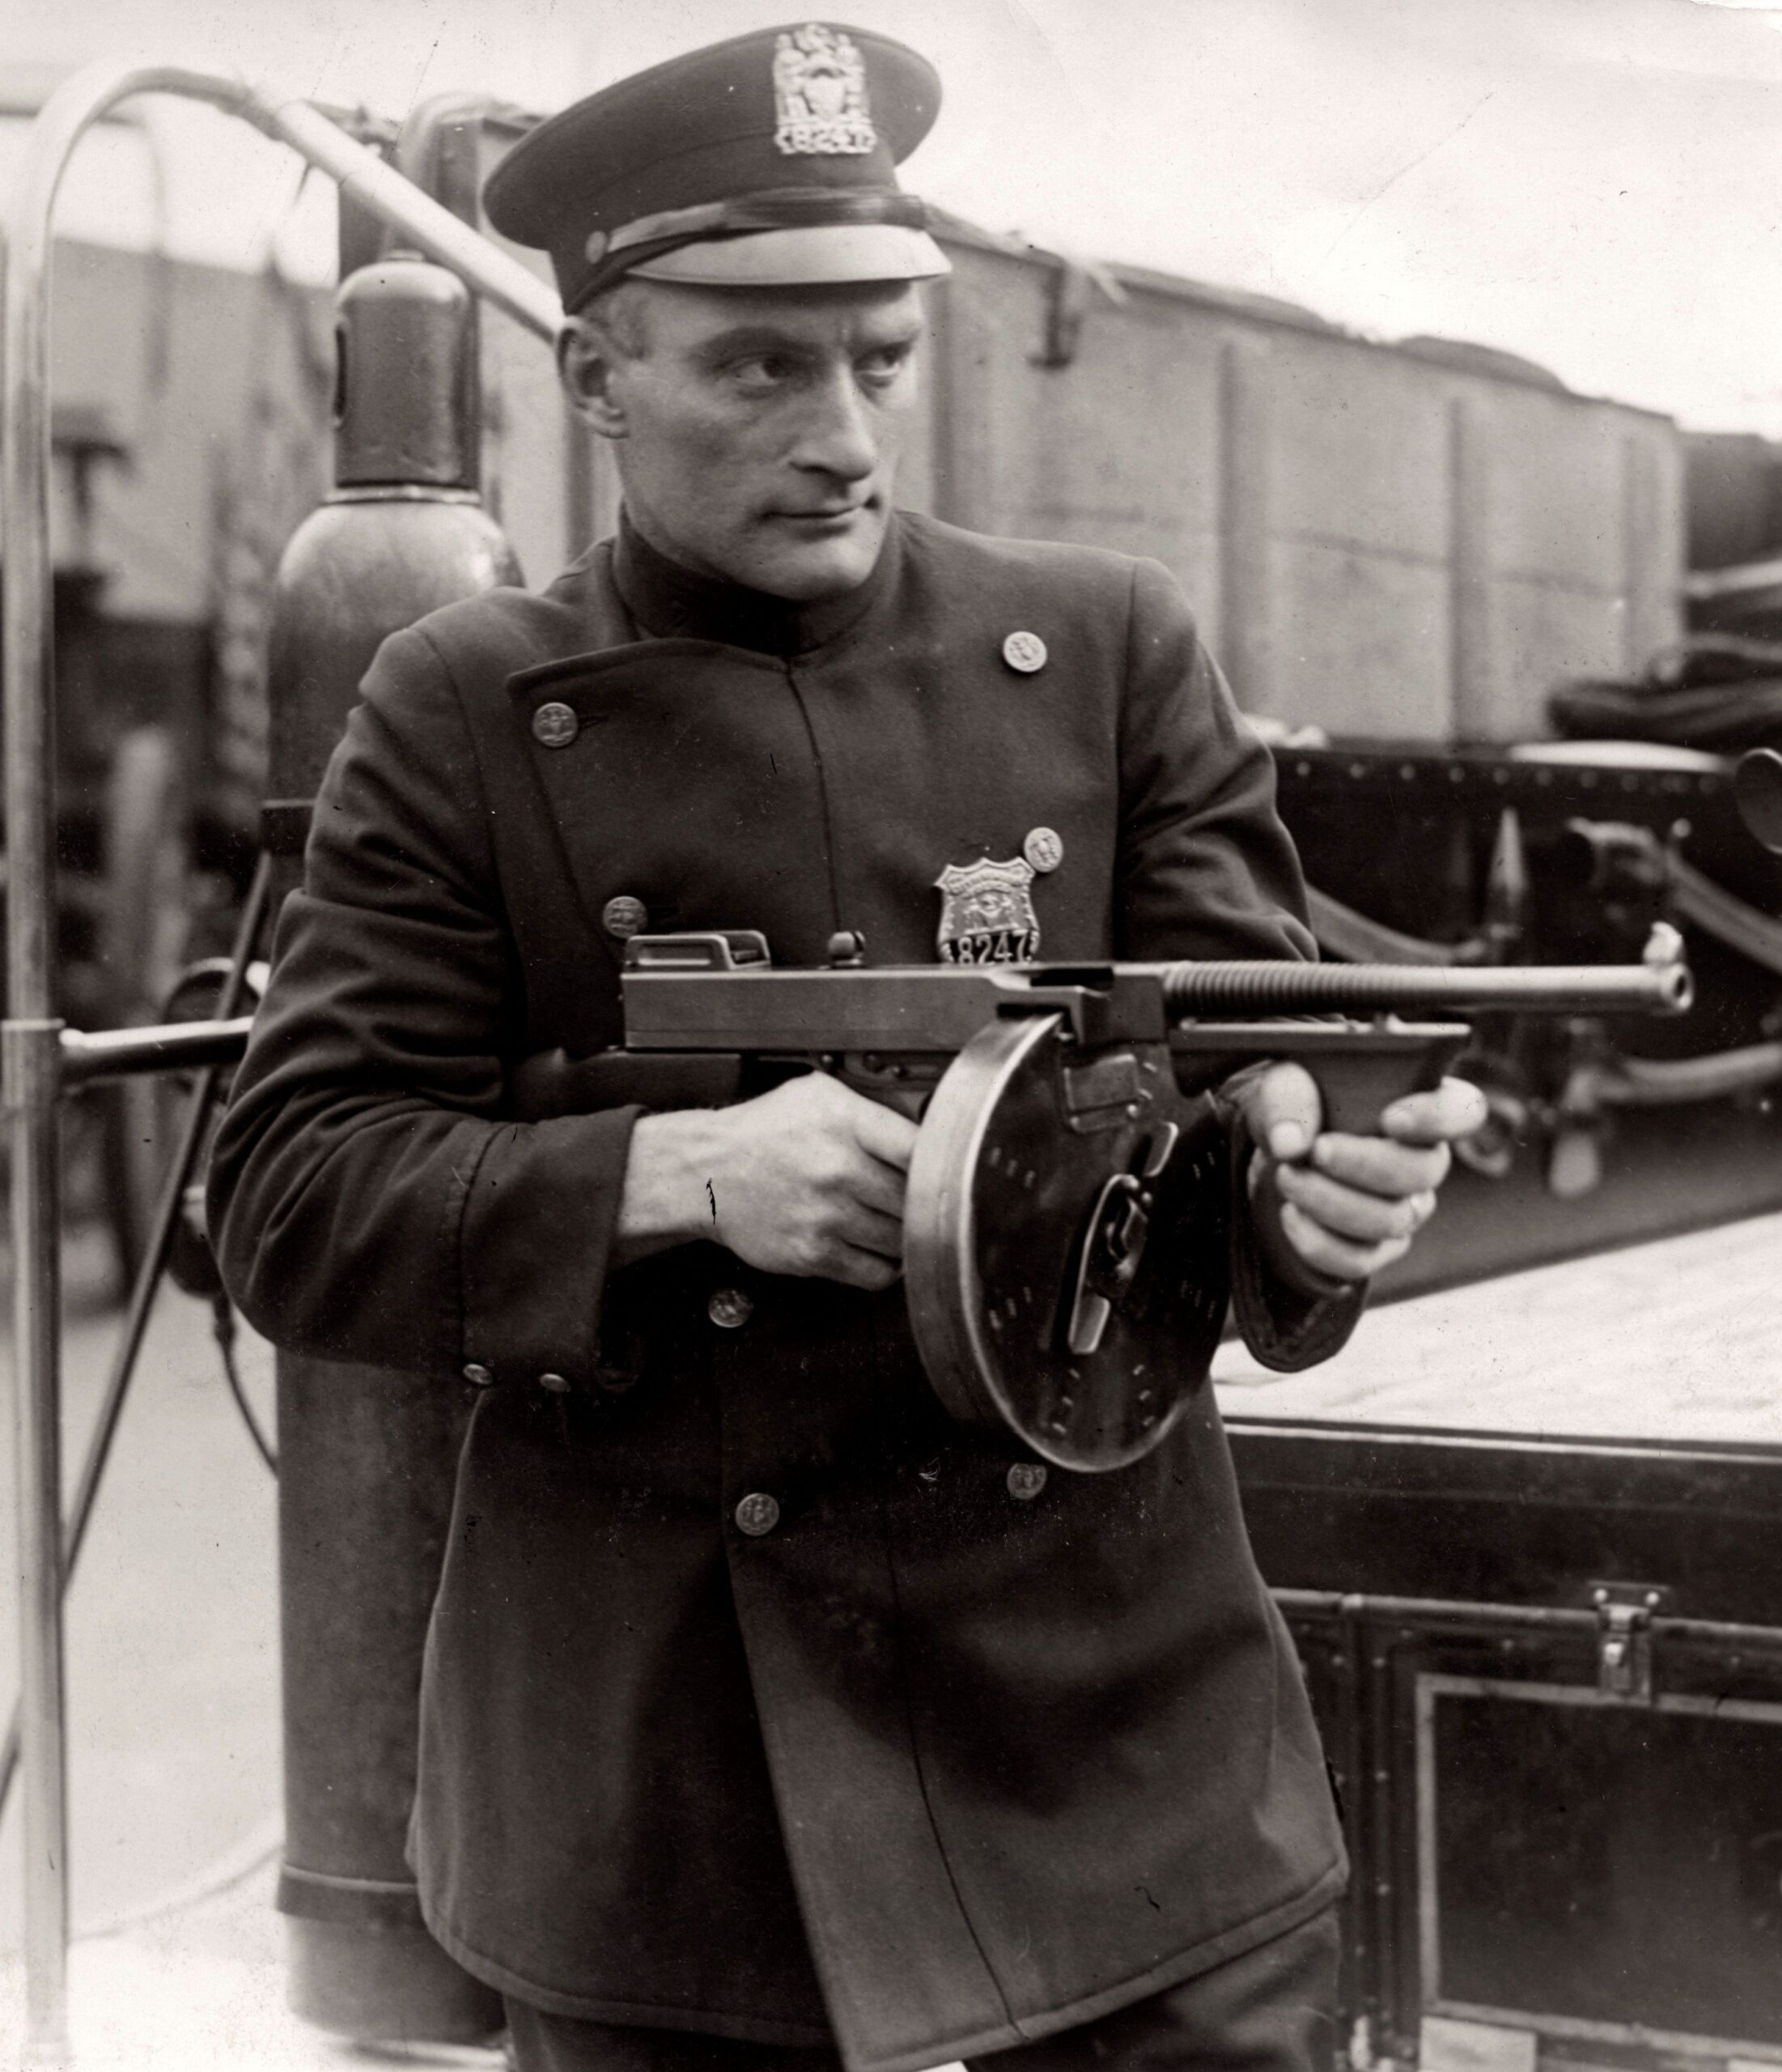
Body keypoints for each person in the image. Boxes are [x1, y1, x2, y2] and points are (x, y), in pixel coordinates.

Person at [210, 23, 1485, 2072]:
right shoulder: (459, 700)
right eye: (760, 365)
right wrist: (676, 1175)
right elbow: (284, 1193)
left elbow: (1254, 1086)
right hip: (676, 1783)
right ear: (597, 378)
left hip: (1115, 1743)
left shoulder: (1108, 651)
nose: (847, 433)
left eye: (881, 358)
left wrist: (1318, 1202)